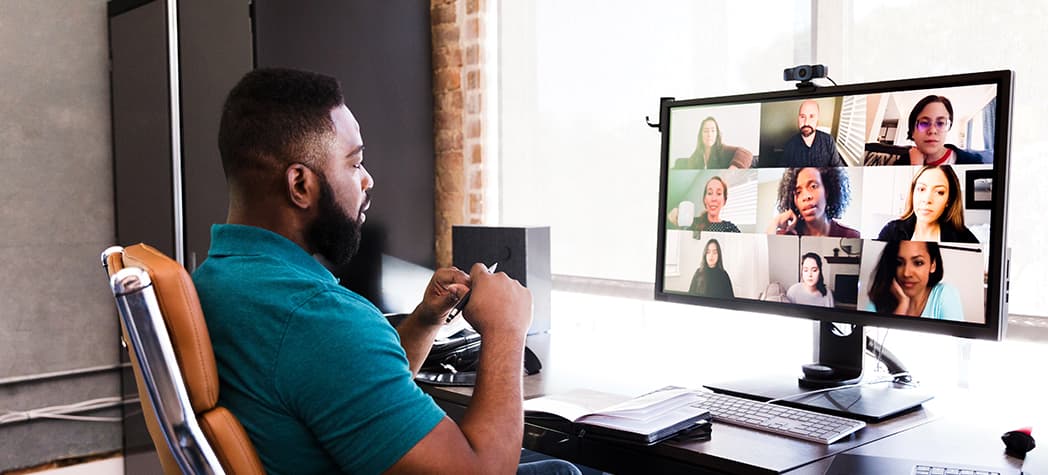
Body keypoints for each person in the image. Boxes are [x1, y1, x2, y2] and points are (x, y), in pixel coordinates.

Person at [192, 68, 581, 475]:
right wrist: (506, 329)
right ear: (300, 186)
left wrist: (426, 321)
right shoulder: (318, 318)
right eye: (355, 162)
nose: (367, 179)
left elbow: (343, 389)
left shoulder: (216, 282)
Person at [865, 240, 964, 320]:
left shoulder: (944, 295)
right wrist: (902, 306)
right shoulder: (879, 300)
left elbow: (957, 343)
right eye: (899, 263)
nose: (906, 273)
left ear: (933, 265)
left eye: (918, 263)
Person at [877, 165, 979, 243]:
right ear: (913, 193)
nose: (927, 199)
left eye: (939, 192)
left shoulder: (965, 239)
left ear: (949, 200)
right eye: (921, 189)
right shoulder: (891, 231)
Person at [766, 167, 860, 237]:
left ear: (827, 191)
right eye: (798, 192)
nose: (806, 197)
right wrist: (775, 222)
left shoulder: (851, 236)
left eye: (813, 186)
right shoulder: (786, 236)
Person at [901, 95, 985, 166]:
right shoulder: (902, 162)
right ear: (912, 131)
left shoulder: (972, 163)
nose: (932, 130)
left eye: (940, 123)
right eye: (924, 123)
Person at [779, 100, 845, 167]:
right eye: (802, 116)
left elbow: (839, 169)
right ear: (798, 118)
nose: (806, 123)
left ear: (817, 119)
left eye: (811, 116)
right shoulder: (790, 145)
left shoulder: (829, 141)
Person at [667, 176, 741, 234]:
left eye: (718, 193)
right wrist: (673, 219)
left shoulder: (730, 228)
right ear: (705, 199)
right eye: (709, 193)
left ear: (724, 201)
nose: (713, 198)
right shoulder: (692, 223)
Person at [673, 116, 753, 169]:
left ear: (717, 134)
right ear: (701, 135)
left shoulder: (724, 150)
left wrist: (733, 169)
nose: (709, 134)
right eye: (706, 131)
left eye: (713, 130)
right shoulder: (696, 155)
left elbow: (747, 153)